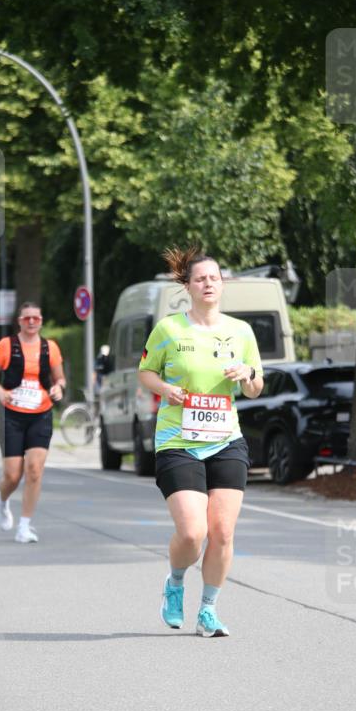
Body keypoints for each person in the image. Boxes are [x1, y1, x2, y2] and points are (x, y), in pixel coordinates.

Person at [138, 246, 263, 637]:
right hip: (178, 439)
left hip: (226, 438)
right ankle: (175, 582)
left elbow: (256, 388)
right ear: (188, 287)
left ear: (222, 284)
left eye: (214, 277)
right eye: (200, 279)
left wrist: (247, 374)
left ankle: (208, 609)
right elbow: (145, 373)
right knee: (194, 533)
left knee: (223, 532)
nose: (208, 283)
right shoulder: (169, 330)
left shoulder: (240, 332)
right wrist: (165, 389)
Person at [0, 302, 65, 543]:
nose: (31, 322)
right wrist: (0, 392)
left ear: (41, 321)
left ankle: (24, 526)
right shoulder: (6, 346)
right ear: (19, 321)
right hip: (13, 415)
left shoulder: (50, 347)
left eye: (36, 318)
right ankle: (2, 499)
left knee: (34, 470)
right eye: (27, 318)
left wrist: (58, 388)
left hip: (41, 413)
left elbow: (60, 378)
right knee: (12, 475)